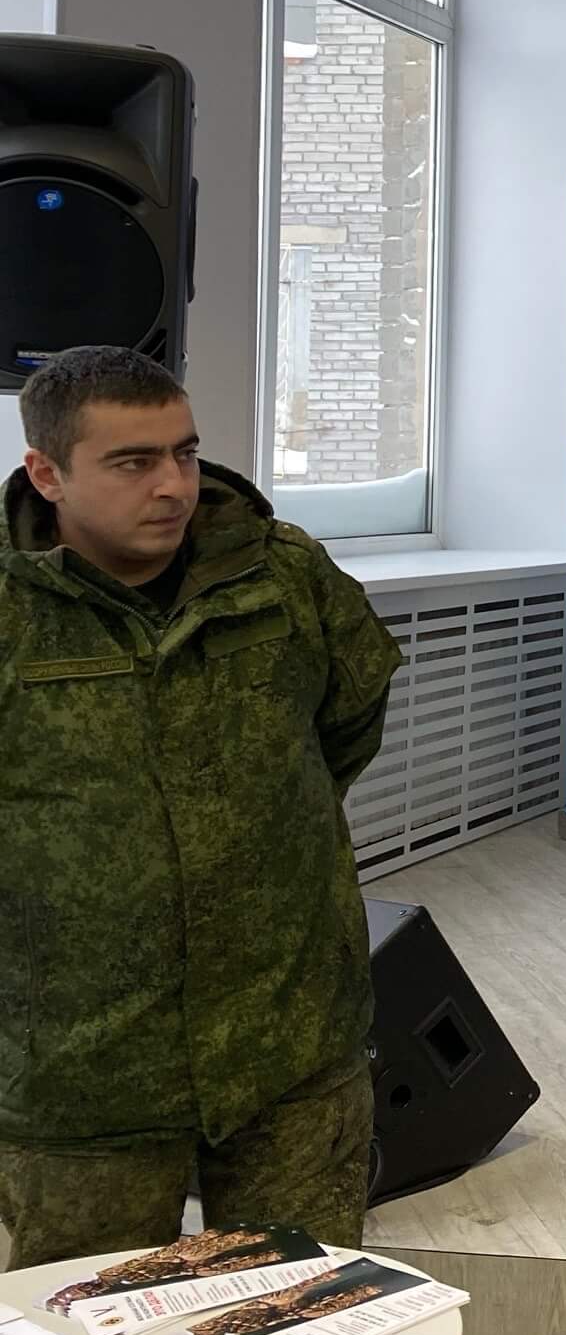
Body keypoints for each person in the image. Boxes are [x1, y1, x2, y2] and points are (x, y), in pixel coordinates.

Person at [0, 345, 403, 1268]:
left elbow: (346, 726)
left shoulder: (282, 576)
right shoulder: (13, 610)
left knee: (298, 1307)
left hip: (288, 1037)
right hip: (80, 1065)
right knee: (95, 1322)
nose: (173, 485)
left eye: (184, 452)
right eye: (133, 462)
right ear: (47, 474)